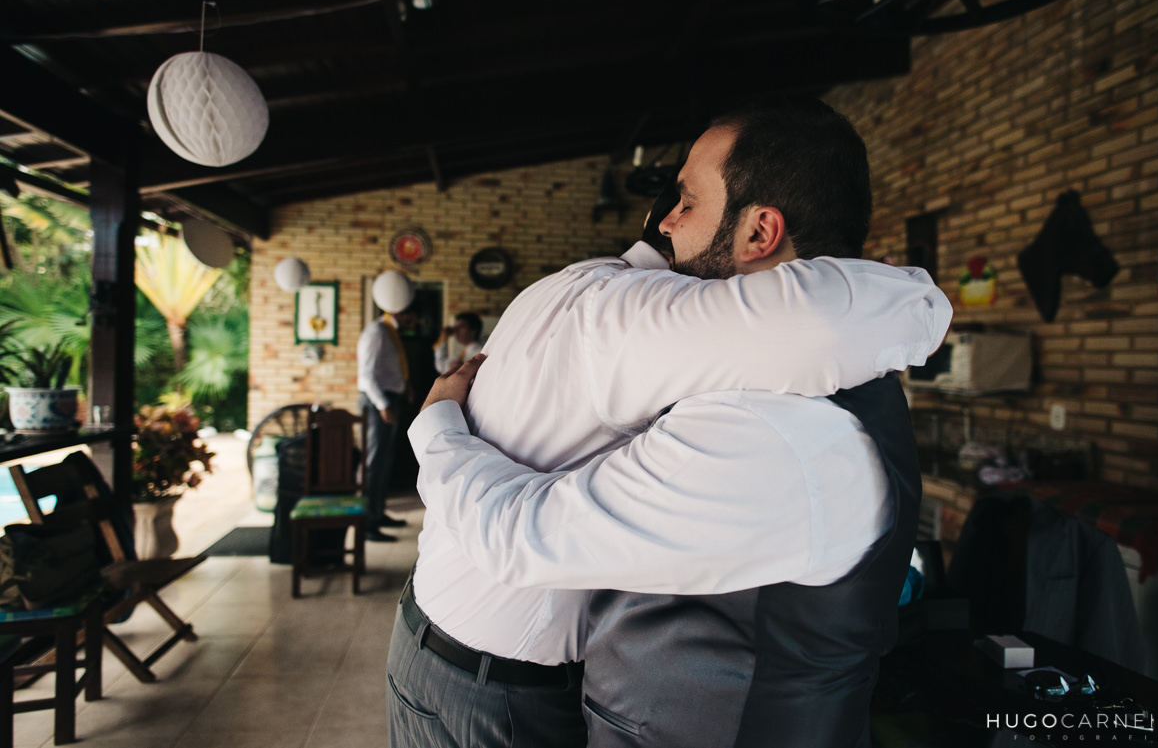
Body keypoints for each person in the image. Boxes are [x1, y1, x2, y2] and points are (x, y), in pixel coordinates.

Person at [387, 99, 952, 748]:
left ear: (760, 232)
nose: (665, 219)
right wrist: (435, 429)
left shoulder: (773, 418)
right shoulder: (639, 313)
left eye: (686, 199)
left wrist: (435, 425)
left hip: (465, 655)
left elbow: (826, 320)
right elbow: (842, 316)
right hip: (483, 679)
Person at [357, 271, 423, 542]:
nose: (415, 321)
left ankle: (378, 511)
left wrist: (405, 386)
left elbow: (389, 369)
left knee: (384, 461)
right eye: (413, 316)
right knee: (374, 462)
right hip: (377, 402)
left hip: (389, 398)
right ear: (404, 311)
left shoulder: (390, 332)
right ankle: (367, 524)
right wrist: (384, 404)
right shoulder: (375, 332)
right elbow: (366, 376)